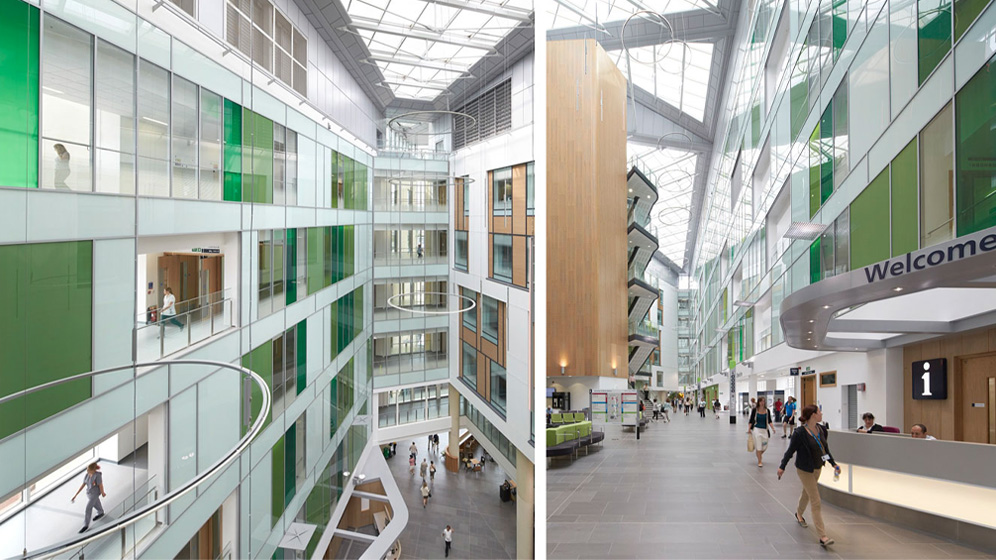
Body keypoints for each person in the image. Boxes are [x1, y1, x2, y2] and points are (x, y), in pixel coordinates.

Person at [777, 404, 840, 548]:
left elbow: (825, 449)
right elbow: (790, 451)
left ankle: (799, 513)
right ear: (813, 415)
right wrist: (782, 466)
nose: (821, 414)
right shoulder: (800, 433)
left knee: (807, 492)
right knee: (815, 500)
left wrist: (833, 464)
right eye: (819, 412)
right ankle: (822, 536)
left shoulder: (822, 429)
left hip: (818, 468)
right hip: (804, 469)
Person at [71, 462, 106, 533]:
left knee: (88, 508)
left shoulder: (98, 475)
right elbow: (83, 484)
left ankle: (85, 525)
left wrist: (102, 493)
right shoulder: (87, 475)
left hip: (95, 494)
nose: (87, 471)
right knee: (96, 503)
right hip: (89, 493)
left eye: (88, 470)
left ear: (93, 470)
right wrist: (76, 495)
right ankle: (100, 512)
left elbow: (100, 485)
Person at [748, 396, 772, 467]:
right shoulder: (755, 410)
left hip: (765, 430)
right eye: (761, 401)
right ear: (758, 402)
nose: (762, 403)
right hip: (756, 429)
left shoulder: (767, 410)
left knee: (765, 446)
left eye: (763, 401)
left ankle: (759, 454)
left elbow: (769, 420)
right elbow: (751, 420)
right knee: (759, 445)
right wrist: (749, 429)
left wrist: (773, 428)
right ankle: (760, 461)